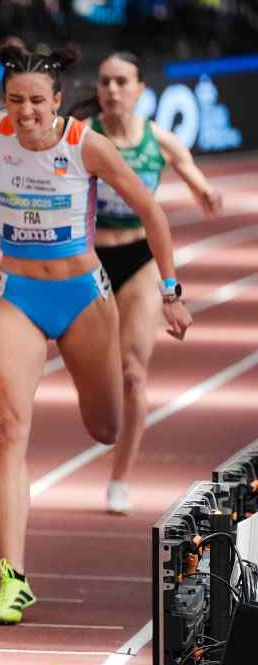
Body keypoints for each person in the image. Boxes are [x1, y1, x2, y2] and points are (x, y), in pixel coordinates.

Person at [0, 44, 192, 624]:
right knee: (8, 429)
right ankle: (13, 578)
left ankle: (113, 448)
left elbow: (152, 214)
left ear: (57, 101)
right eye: (15, 101)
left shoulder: (86, 144)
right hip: (20, 298)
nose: (25, 113)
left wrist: (171, 292)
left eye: (36, 101)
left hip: (84, 298)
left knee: (105, 427)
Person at [70, 52, 222, 514]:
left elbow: (192, 173)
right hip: (90, 260)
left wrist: (204, 192)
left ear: (139, 89)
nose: (112, 90)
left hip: (138, 259)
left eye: (122, 82)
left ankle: (121, 477)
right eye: (105, 82)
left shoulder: (158, 140)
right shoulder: (81, 135)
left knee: (134, 371)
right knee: (95, 368)